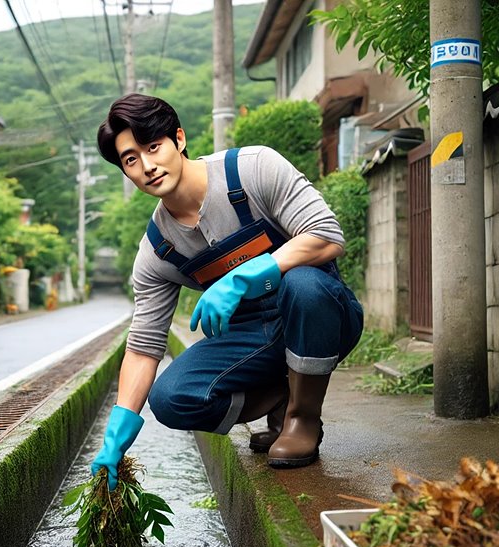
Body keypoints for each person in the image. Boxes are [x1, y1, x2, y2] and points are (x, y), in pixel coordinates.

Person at [91, 94, 364, 490]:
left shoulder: (253, 169)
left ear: (179, 140)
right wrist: (117, 432)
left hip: (321, 314)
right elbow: (144, 347)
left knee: (304, 285)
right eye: (131, 159)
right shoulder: (158, 251)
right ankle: (280, 395)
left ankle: (303, 419)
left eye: (154, 147)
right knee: (171, 397)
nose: (147, 166)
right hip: (253, 339)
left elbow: (327, 235)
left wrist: (245, 276)